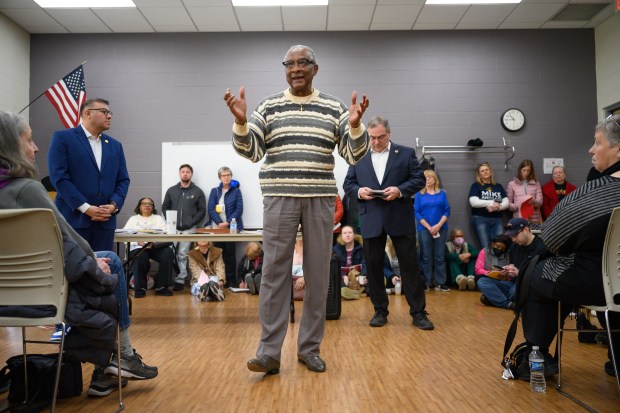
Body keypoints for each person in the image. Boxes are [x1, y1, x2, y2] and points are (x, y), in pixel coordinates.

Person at [224, 44, 369, 374]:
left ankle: (309, 349)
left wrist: (357, 126)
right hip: (279, 198)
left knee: (318, 277)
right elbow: (252, 152)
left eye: (303, 62)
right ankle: (269, 353)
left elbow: (352, 155)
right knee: (274, 274)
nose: (296, 68)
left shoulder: (334, 107)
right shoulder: (269, 106)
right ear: (285, 70)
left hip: (320, 200)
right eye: (289, 64)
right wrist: (243, 123)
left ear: (315, 69)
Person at [0, 112, 156, 397]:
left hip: (5, 296)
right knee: (109, 261)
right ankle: (119, 359)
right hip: (41, 297)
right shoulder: (27, 190)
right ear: (10, 145)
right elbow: (67, 239)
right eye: (29, 139)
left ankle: (111, 367)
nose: (35, 148)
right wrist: (91, 262)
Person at [519, 115, 620, 380]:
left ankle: (537, 356)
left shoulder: (595, 192)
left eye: (597, 143)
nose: (591, 149)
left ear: (618, 149)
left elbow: (551, 237)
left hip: (599, 282)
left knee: (537, 271)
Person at [344, 115, 434, 330]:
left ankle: (419, 313)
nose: (376, 142)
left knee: (410, 267)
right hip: (371, 218)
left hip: (399, 217)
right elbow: (348, 184)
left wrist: (400, 190)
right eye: (372, 138)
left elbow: (419, 179)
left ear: (389, 133)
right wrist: (359, 191)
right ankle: (380, 311)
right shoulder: (358, 156)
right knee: (374, 267)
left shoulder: (405, 153)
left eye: (381, 137)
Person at [48, 98, 130, 252]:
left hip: (105, 223)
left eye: (109, 112)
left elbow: (123, 180)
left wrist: (113, 205)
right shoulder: (63, 138)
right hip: (73, 220)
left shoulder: (115, 146)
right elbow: (59, 178)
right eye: (104, 111)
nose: (109, 116)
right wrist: (85, 208)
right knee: (73, 272)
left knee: (103, 270)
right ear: (87, 113)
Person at [162, 164, 207, 291]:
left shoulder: (197, 191)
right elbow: (165, 207)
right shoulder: (171, 190)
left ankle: (180, 280)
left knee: (182, 254)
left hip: (189, 228)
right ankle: (167, 279)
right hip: (173, 228)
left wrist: (191, 222)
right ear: (179, 174)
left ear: (191, 174)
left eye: (188, 172)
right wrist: (171, 221)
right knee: (170, 252)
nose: (185, 174)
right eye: (183, 172)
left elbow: (202, 210)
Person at [123, 197, 175, 298]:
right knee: (140, 256)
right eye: (144, 203)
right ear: (140, 207)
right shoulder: (133, 219)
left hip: (155, 246)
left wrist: (153, 243)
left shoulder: (158, 218)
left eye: (150, 204)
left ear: (153, 207)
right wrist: (137, 241)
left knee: (168, 253)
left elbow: (166, 234)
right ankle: (140, 289)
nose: (147, 205)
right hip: (138, 247)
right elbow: (125, 236)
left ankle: (162, 287)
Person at [414, 169, 451, 291]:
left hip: (441, 228)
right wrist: (429, 227)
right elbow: (417, 213)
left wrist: (438, 225)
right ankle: (427, 281)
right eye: (425, 178)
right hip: (424, 228)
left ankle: (441, 282)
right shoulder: (419, 195)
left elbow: (447, 211)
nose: (427, 179)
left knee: (440, 256)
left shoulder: (442, 194)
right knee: (426, 256)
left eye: (430, 177)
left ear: (435, 179)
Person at [207, 166, 243, 288]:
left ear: (231, 176)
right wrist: (218, 222)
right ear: (220, 177)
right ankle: (220, 280)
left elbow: (239, 209)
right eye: (223, 175)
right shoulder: (214, 191)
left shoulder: (236, 191)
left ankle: (231, 280)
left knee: (230, 255)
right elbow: (210, 209)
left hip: (231, 228)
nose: (226, 177)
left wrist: (227, 222)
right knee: (217, 254)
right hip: (217, 229)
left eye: (228, 175)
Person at [468, 162, 509, 249]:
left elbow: (506, 202)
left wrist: (498, 207)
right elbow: (473, 202)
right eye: (482, 171)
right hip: (480, 219)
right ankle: (487, 263)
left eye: (487, 170)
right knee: (486, 247)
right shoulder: (476, 186)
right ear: (479, 174)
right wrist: (491, 203)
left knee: (499, 245)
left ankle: (497, 263)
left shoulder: (498, 186)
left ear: (490, 172)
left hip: (497, 219)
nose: (485, 172)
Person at [474, 235, 513, 309]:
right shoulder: (484, 251)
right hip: (489, 280)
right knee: (481, 281)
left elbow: (512, 272)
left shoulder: (509, 254)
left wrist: (506, 274)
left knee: (485, 298)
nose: (499, 249)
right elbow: (478, 270)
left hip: (504, 282)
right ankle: (506, 303)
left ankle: (496, 299)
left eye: (503, 248)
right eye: (497, 246)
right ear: (492, 244)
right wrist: (490, 272)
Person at [333, 225, 367, 300]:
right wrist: (343, 276)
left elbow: (365, 263)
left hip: (358, 276)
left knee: (369, 280)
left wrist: (362, 275)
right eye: (345, 233)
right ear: (341, 236)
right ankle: (348, 292)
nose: (347, 235)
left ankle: (353, 293)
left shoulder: (361, 248)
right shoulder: (335, 249)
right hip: (343, 279)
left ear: (354, 235)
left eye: (350, 232)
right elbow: (334, 266)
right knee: (336, 281)